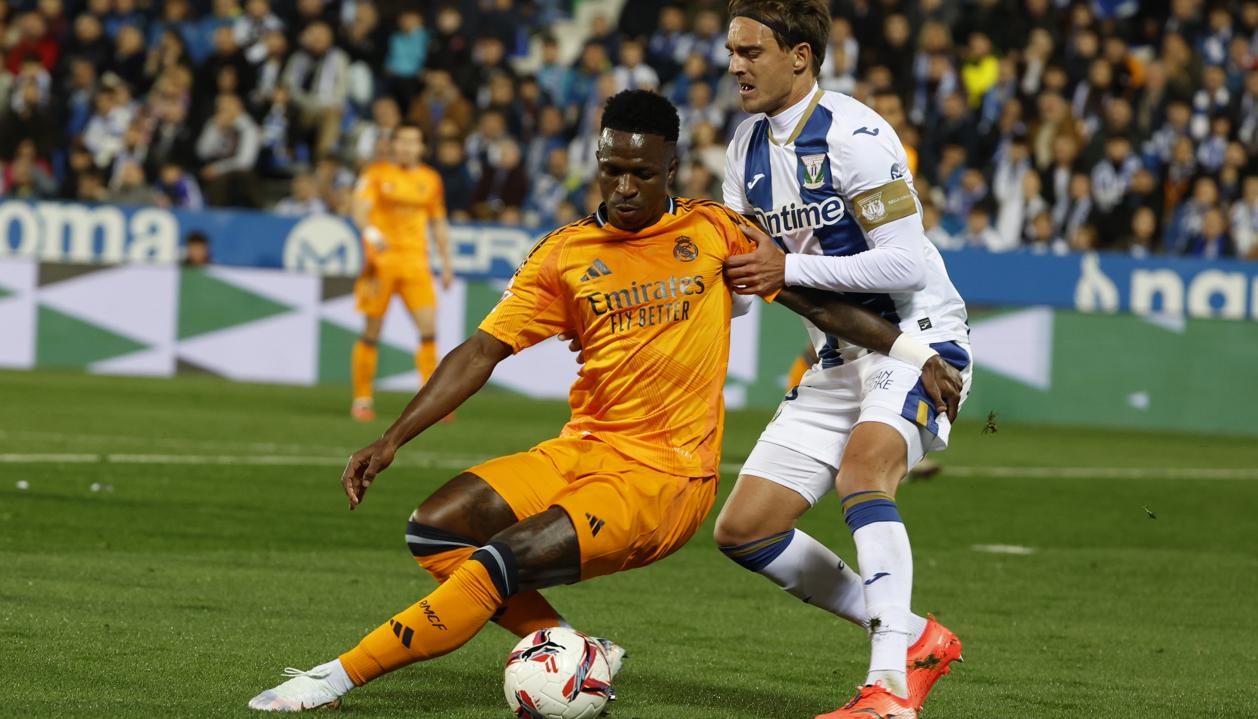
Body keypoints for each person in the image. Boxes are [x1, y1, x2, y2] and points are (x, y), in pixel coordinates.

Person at [246, 89, 963, 713]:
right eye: (612, 169)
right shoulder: (562, 254)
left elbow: (816, 303)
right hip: (585, 449)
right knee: (436, 530)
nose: (624, 187)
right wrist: (393, 436)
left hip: (664, 478)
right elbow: (480, 351)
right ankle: (574, 650)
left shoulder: (713, 232)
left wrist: (913, 353)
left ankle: (336, 676)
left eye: (641, 174)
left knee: (499, 560)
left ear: (671, 169)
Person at [718, 2, 973, 717]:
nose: (736, 66)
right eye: (731, 52)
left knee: (865, 471)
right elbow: (749, 282)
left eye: (750, 51)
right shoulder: (743, 151)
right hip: (835, 355)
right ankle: (911, 631)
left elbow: (902, 260)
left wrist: (786, 273)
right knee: (745, 529)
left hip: (918, 341)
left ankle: (889, 687)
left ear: (800, 55)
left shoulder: (856, 135)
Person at [348, 122, 453, 422]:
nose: (407, 147)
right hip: (380, 264)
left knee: (429, 330)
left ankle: (432, 401)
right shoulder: (376, 174)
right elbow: (358, 208)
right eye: (402, 141)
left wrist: (446, 264)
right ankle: (362, 399)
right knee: (371, 332)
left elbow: (438, 223)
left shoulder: (431, 179)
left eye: (413, 142)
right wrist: (369, 230)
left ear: (422, 147)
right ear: (393, 145)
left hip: (416, 264)